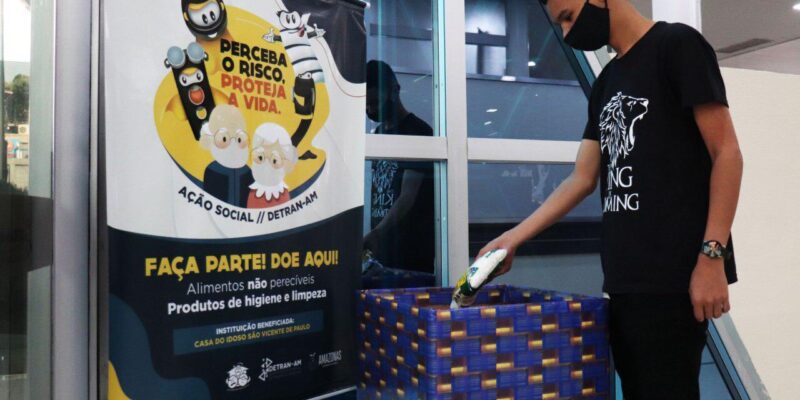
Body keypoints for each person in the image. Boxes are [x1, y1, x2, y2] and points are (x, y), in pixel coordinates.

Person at [478, 1, 743, 399]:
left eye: (568, 17)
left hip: (672, 277)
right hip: (623, 280)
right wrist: (513, 237)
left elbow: (727, 153)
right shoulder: (607, 81)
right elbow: (581, 178)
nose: (567, 34)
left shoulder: (677, 45)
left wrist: (712, 256)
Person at [363, 60, 436, 275]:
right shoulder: (378, 134)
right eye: (366, 105)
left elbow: (407, 196)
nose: (370, 110)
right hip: (381, 251)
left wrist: (377, 233)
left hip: (411, 255)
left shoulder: (418, 132)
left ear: (394, 91)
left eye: (375, 102)